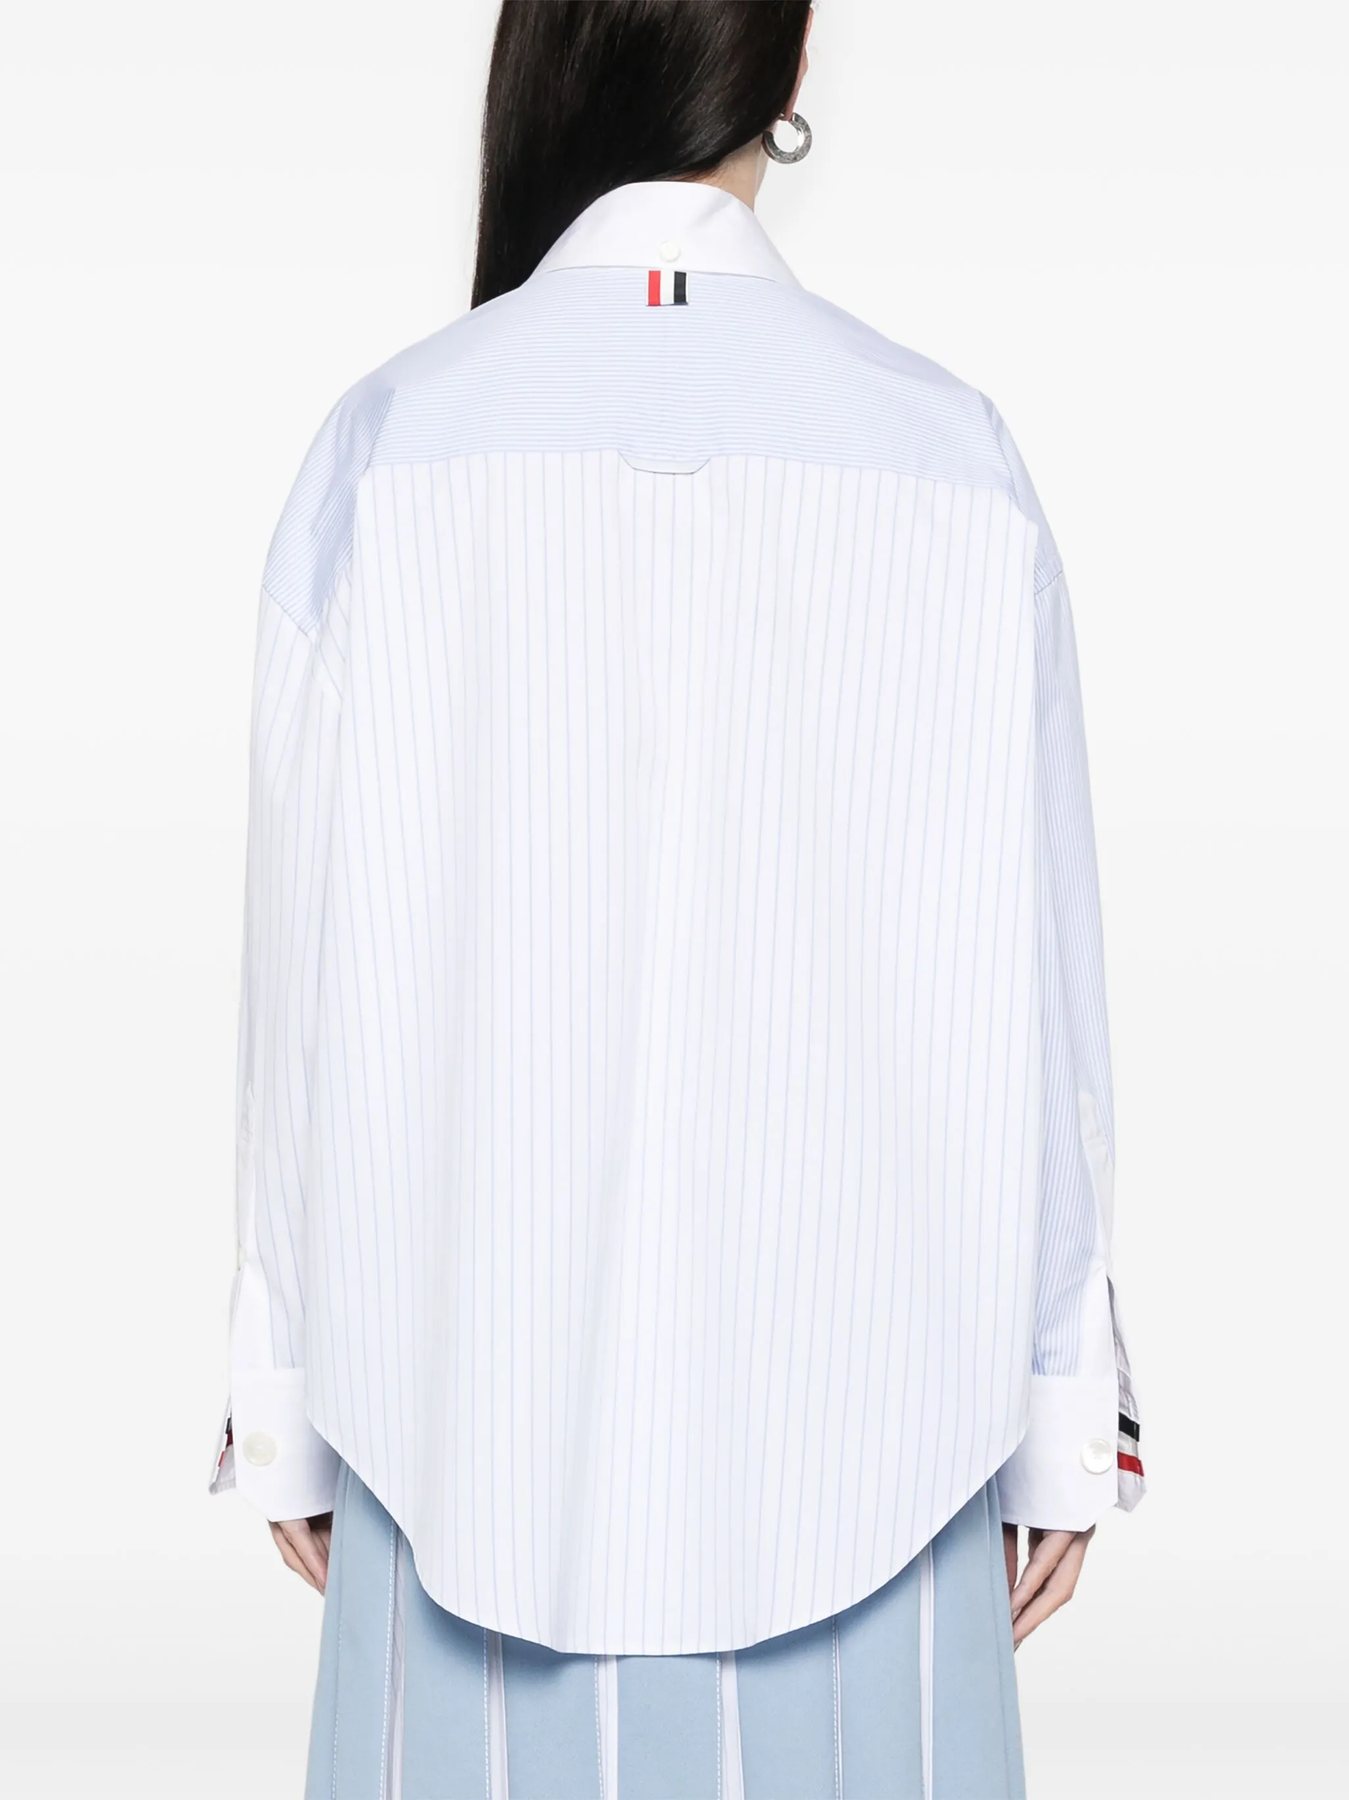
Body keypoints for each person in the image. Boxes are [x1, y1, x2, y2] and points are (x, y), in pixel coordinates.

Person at [209, 4, 1145, 1795]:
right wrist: (1060, 1408)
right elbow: (1043, 976)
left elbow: (299, 978)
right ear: (784, 74)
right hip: (886, 1444)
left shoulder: (391, 444)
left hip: (454, 1430)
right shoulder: (948, 452)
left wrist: (287, 1402)